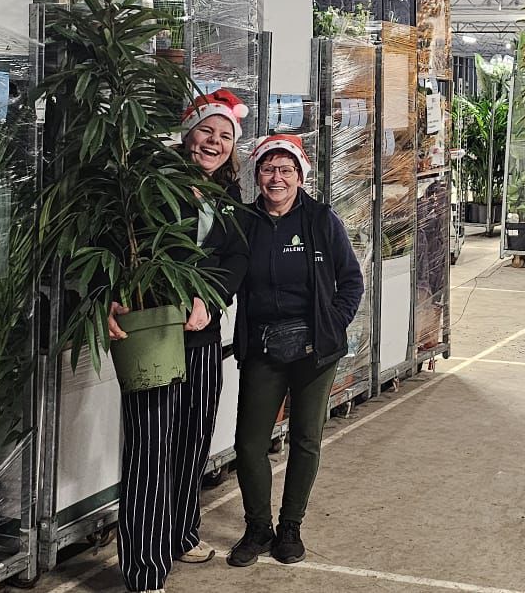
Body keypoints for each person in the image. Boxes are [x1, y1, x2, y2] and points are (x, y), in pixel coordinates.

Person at [111, 90, 251, 593]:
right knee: (150, 448)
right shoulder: (150, 185)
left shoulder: (229, 196)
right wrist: (110, 297)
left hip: (204, 338)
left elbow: (237, 258)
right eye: (206, 131)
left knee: (193, 441)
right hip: (154, 332)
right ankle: (145, 570)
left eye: (225, 136)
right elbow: (120, 245)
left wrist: (210, 299)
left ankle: (181, 534)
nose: (214, 142)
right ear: (188, 132)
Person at [227, 135, 366, 568]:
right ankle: (258, 528)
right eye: (269, 169)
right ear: (257, 176)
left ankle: (290, 527)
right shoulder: (244, 222)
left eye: (286, 170)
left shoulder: (321, 220)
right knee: (249, 444)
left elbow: (351, 280)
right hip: (263, 347)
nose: (277, 178)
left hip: (315, 350)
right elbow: (224, 274)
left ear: (300, 176)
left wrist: (331, 323)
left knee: (306, 439)